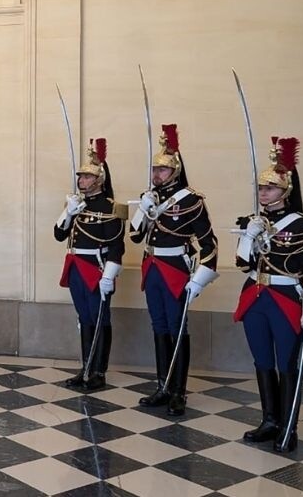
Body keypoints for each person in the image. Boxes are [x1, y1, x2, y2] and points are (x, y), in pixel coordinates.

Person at [233, 137, 303, 453]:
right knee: (262, 361)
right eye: (260, 188)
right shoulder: (252, 221)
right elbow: (242, 264)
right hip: (256, 296)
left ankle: (289, 426)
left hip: (286, 300)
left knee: (287, 364)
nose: (263, 193)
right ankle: (270, 420)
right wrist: (249, 235)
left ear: (285, 190)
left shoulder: (302, 226)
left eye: (269, 188)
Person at [129, 124, 218, 416]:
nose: (157, 175)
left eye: (162, 170)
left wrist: (200, 280)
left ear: (175, 172)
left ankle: (179, 391)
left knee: (178, 329)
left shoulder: (191, 201)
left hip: (176, 269)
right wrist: (142, 209)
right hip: (152, 267)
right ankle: (163, 386)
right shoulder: (151, 197)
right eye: (154, 170)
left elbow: (209, 244)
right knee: (159, 326)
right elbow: (134, 236)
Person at [54, 138, 125, 391]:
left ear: (98, 180)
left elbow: (117, 246)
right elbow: (59, 235)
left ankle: (98, 372)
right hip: (75, 266)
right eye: (80, 177)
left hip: (96, 268)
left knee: (100, 318)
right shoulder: (75, 203)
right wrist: (68, 213)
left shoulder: (111, 207)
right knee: (84, 318)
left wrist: (109, 275)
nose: (80, 181)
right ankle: (85, 367)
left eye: (86, 177)